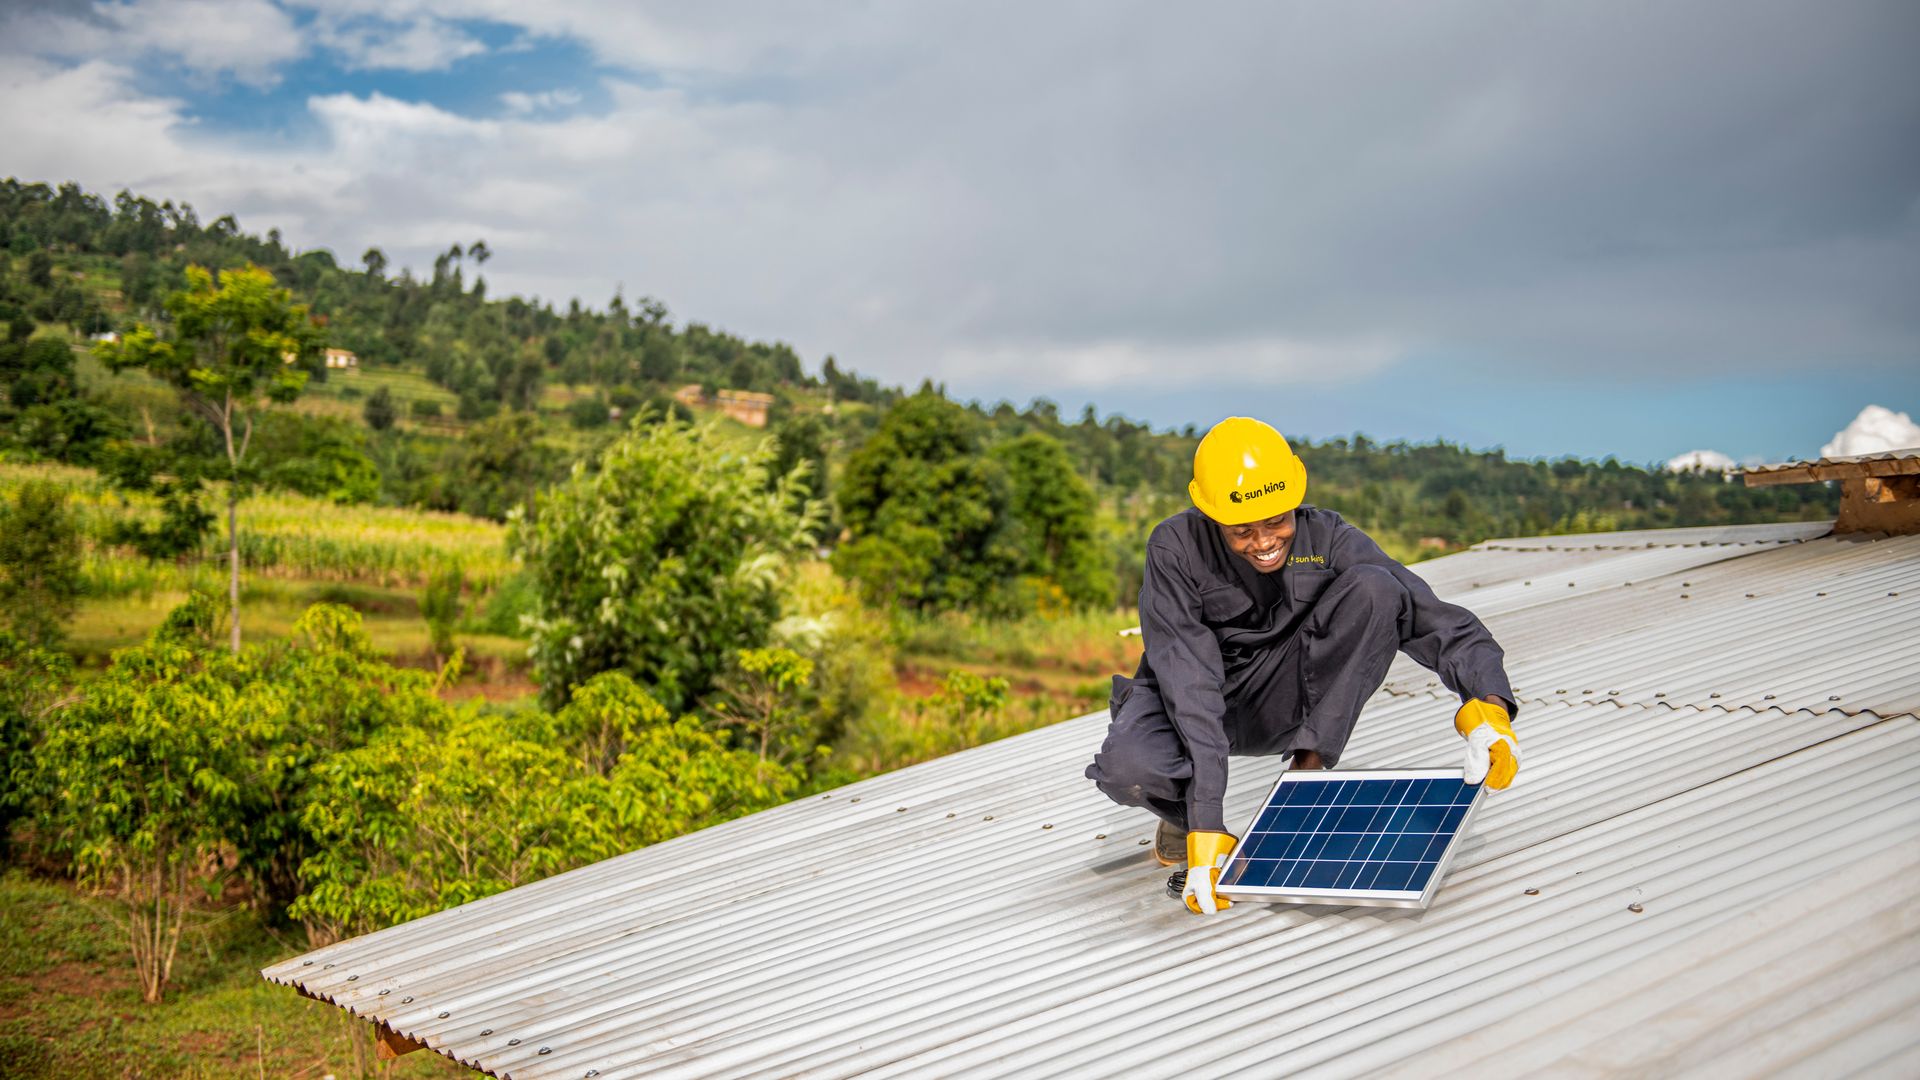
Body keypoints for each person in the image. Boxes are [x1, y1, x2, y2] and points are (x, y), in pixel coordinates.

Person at [1085, 417, 1520, 915]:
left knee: (1379, 588)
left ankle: (1303, 780)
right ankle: (1182, 814)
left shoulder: (1328, 536)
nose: (1265, 541)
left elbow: (1435, 618)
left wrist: (1488, 708)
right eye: (1242, 530)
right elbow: (1189, 682)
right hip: (1192, 702)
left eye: (1276, 521)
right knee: (1128, 770)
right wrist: (1207, 820)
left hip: (1283, 701)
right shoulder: (1174, 549)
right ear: (1210, 516)